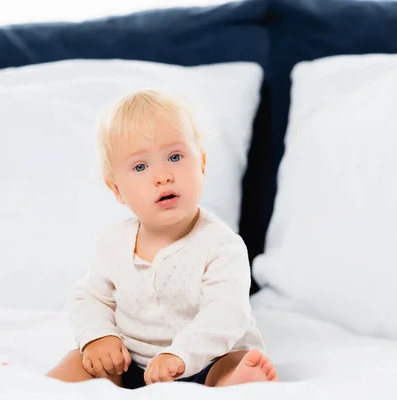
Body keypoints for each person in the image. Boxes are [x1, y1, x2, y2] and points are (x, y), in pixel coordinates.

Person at [46, 88, 278, 389]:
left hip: (205, 361)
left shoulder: (222, 246)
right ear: (116, 189)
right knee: (82, 360)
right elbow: (90, 298)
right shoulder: (113, 243)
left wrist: (180, 356)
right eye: (141, 166)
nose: (163, 175)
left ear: (202, 164)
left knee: (232, 363)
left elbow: (227, 314)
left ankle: (239, 382)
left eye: (175, 156)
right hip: (130, 362)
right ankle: (39, 388)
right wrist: (98, 336)